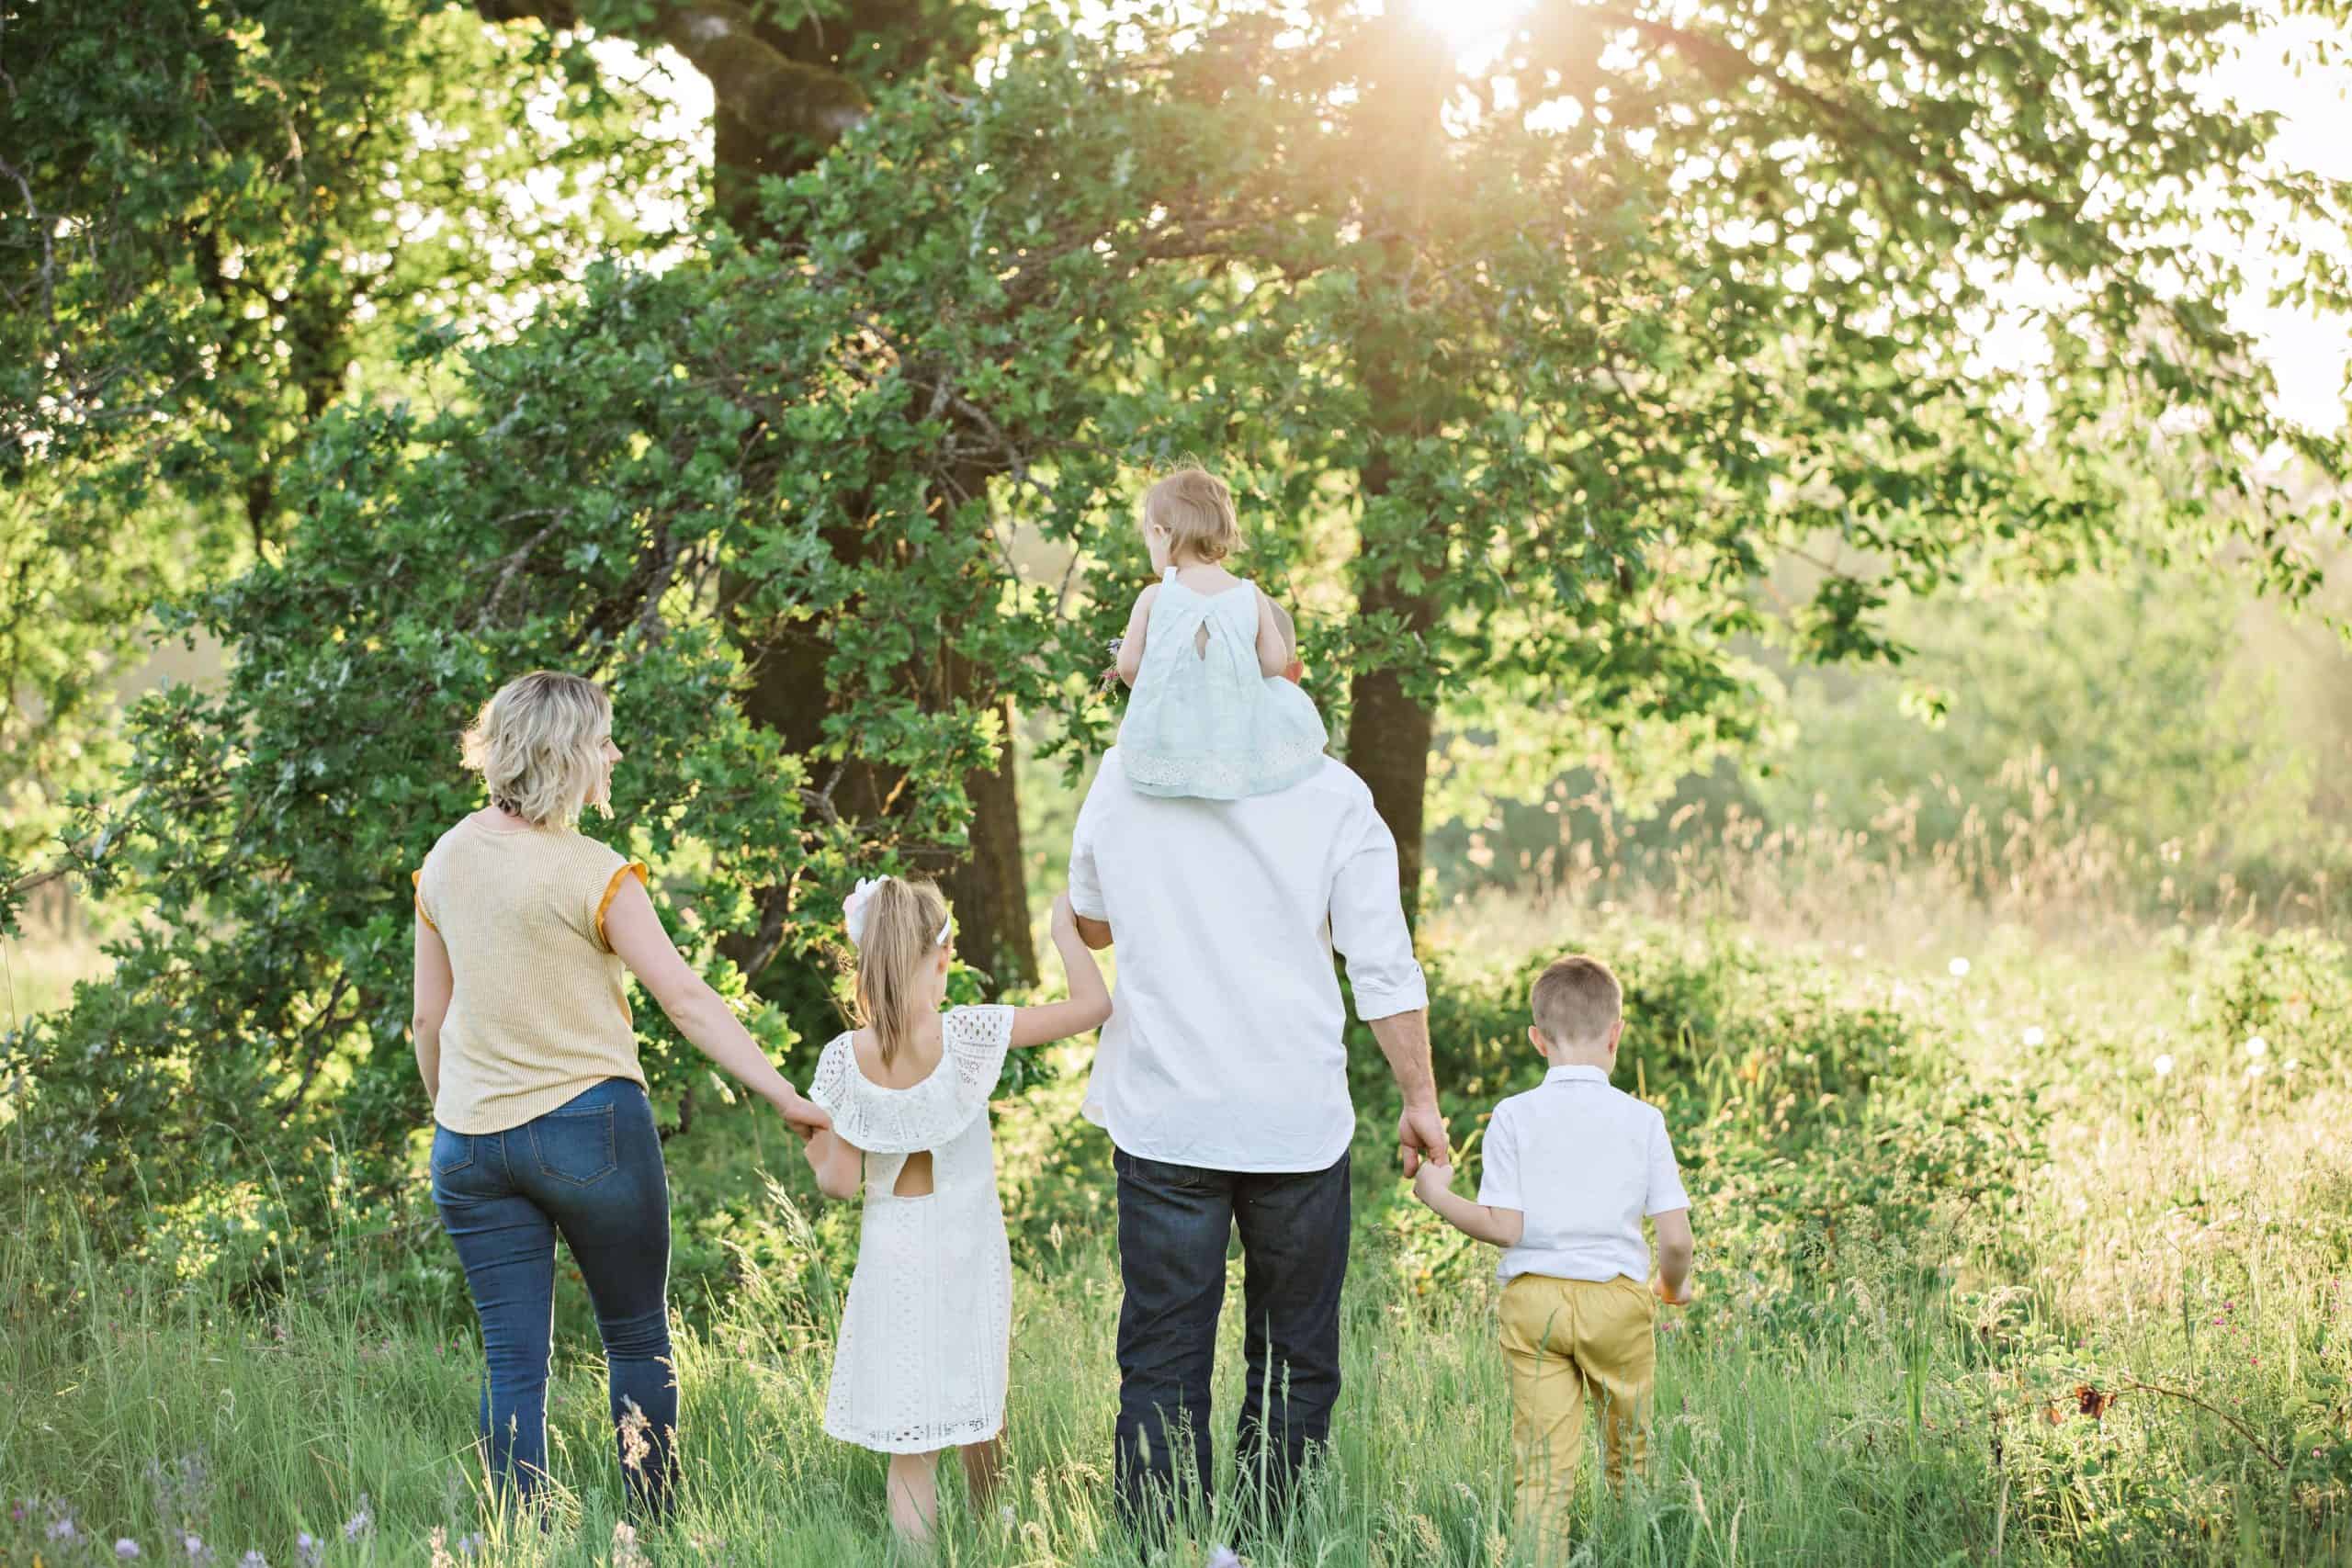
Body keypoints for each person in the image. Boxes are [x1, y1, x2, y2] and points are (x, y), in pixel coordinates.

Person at [410, 671, 831, 1516]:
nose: (616, 754)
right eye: (603, 740)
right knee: (637, 1337)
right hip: (589, 1130)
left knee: (510, 1364)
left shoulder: (445, 859)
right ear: (566, 754)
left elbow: (429, 1019)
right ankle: (656, 1526)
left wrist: (454, 1114)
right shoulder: (595, 873)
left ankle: (522, 1536)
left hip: (469, 1142)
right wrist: (785, 1094)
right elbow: (687, 1001)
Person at [1069, 595, 1442, 1533]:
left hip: (1166, 1114)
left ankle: (1158, 1551)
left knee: (1161, 1353)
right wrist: (1419, 1100)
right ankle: (1259, 1544)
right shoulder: (1331, 794)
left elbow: (1094, 919)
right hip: (1293, 1117)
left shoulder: (1123, 780)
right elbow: (1383, 966)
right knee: (1293, 1355)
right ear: (1283, 671)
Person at [800, 877, 1113, 1545]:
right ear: (940, 958)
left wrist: (813, 1140)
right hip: (967, 1244)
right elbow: (1092, 1006)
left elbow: (838, 1181)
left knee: (912, 1437)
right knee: (980, 1392)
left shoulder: (844, 1060)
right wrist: (1063, 933)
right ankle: (990, 1530)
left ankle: (918, 1556)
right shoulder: (969, 1034)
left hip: (892, 1253)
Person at [1411, 954, 1696, 1551]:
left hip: (1534, 1302)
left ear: (1537, 1039)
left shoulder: (1513, 1116)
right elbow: (1675, 1239)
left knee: (1541, 1469)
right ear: (1616, 1033)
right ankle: (1637, 1551)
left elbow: (1504, 1227)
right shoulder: (1644, 1120)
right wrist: (1672, 1287)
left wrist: (1439, 1196)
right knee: (1630, 1452)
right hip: (1617, 1303)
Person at [1110, 463, 1330, 800]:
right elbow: (1274, 663)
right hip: (1233, 734)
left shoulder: (1154, 597)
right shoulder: (1249, 593)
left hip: (1173, 734)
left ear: (1160, 533)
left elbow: (1128, 668)